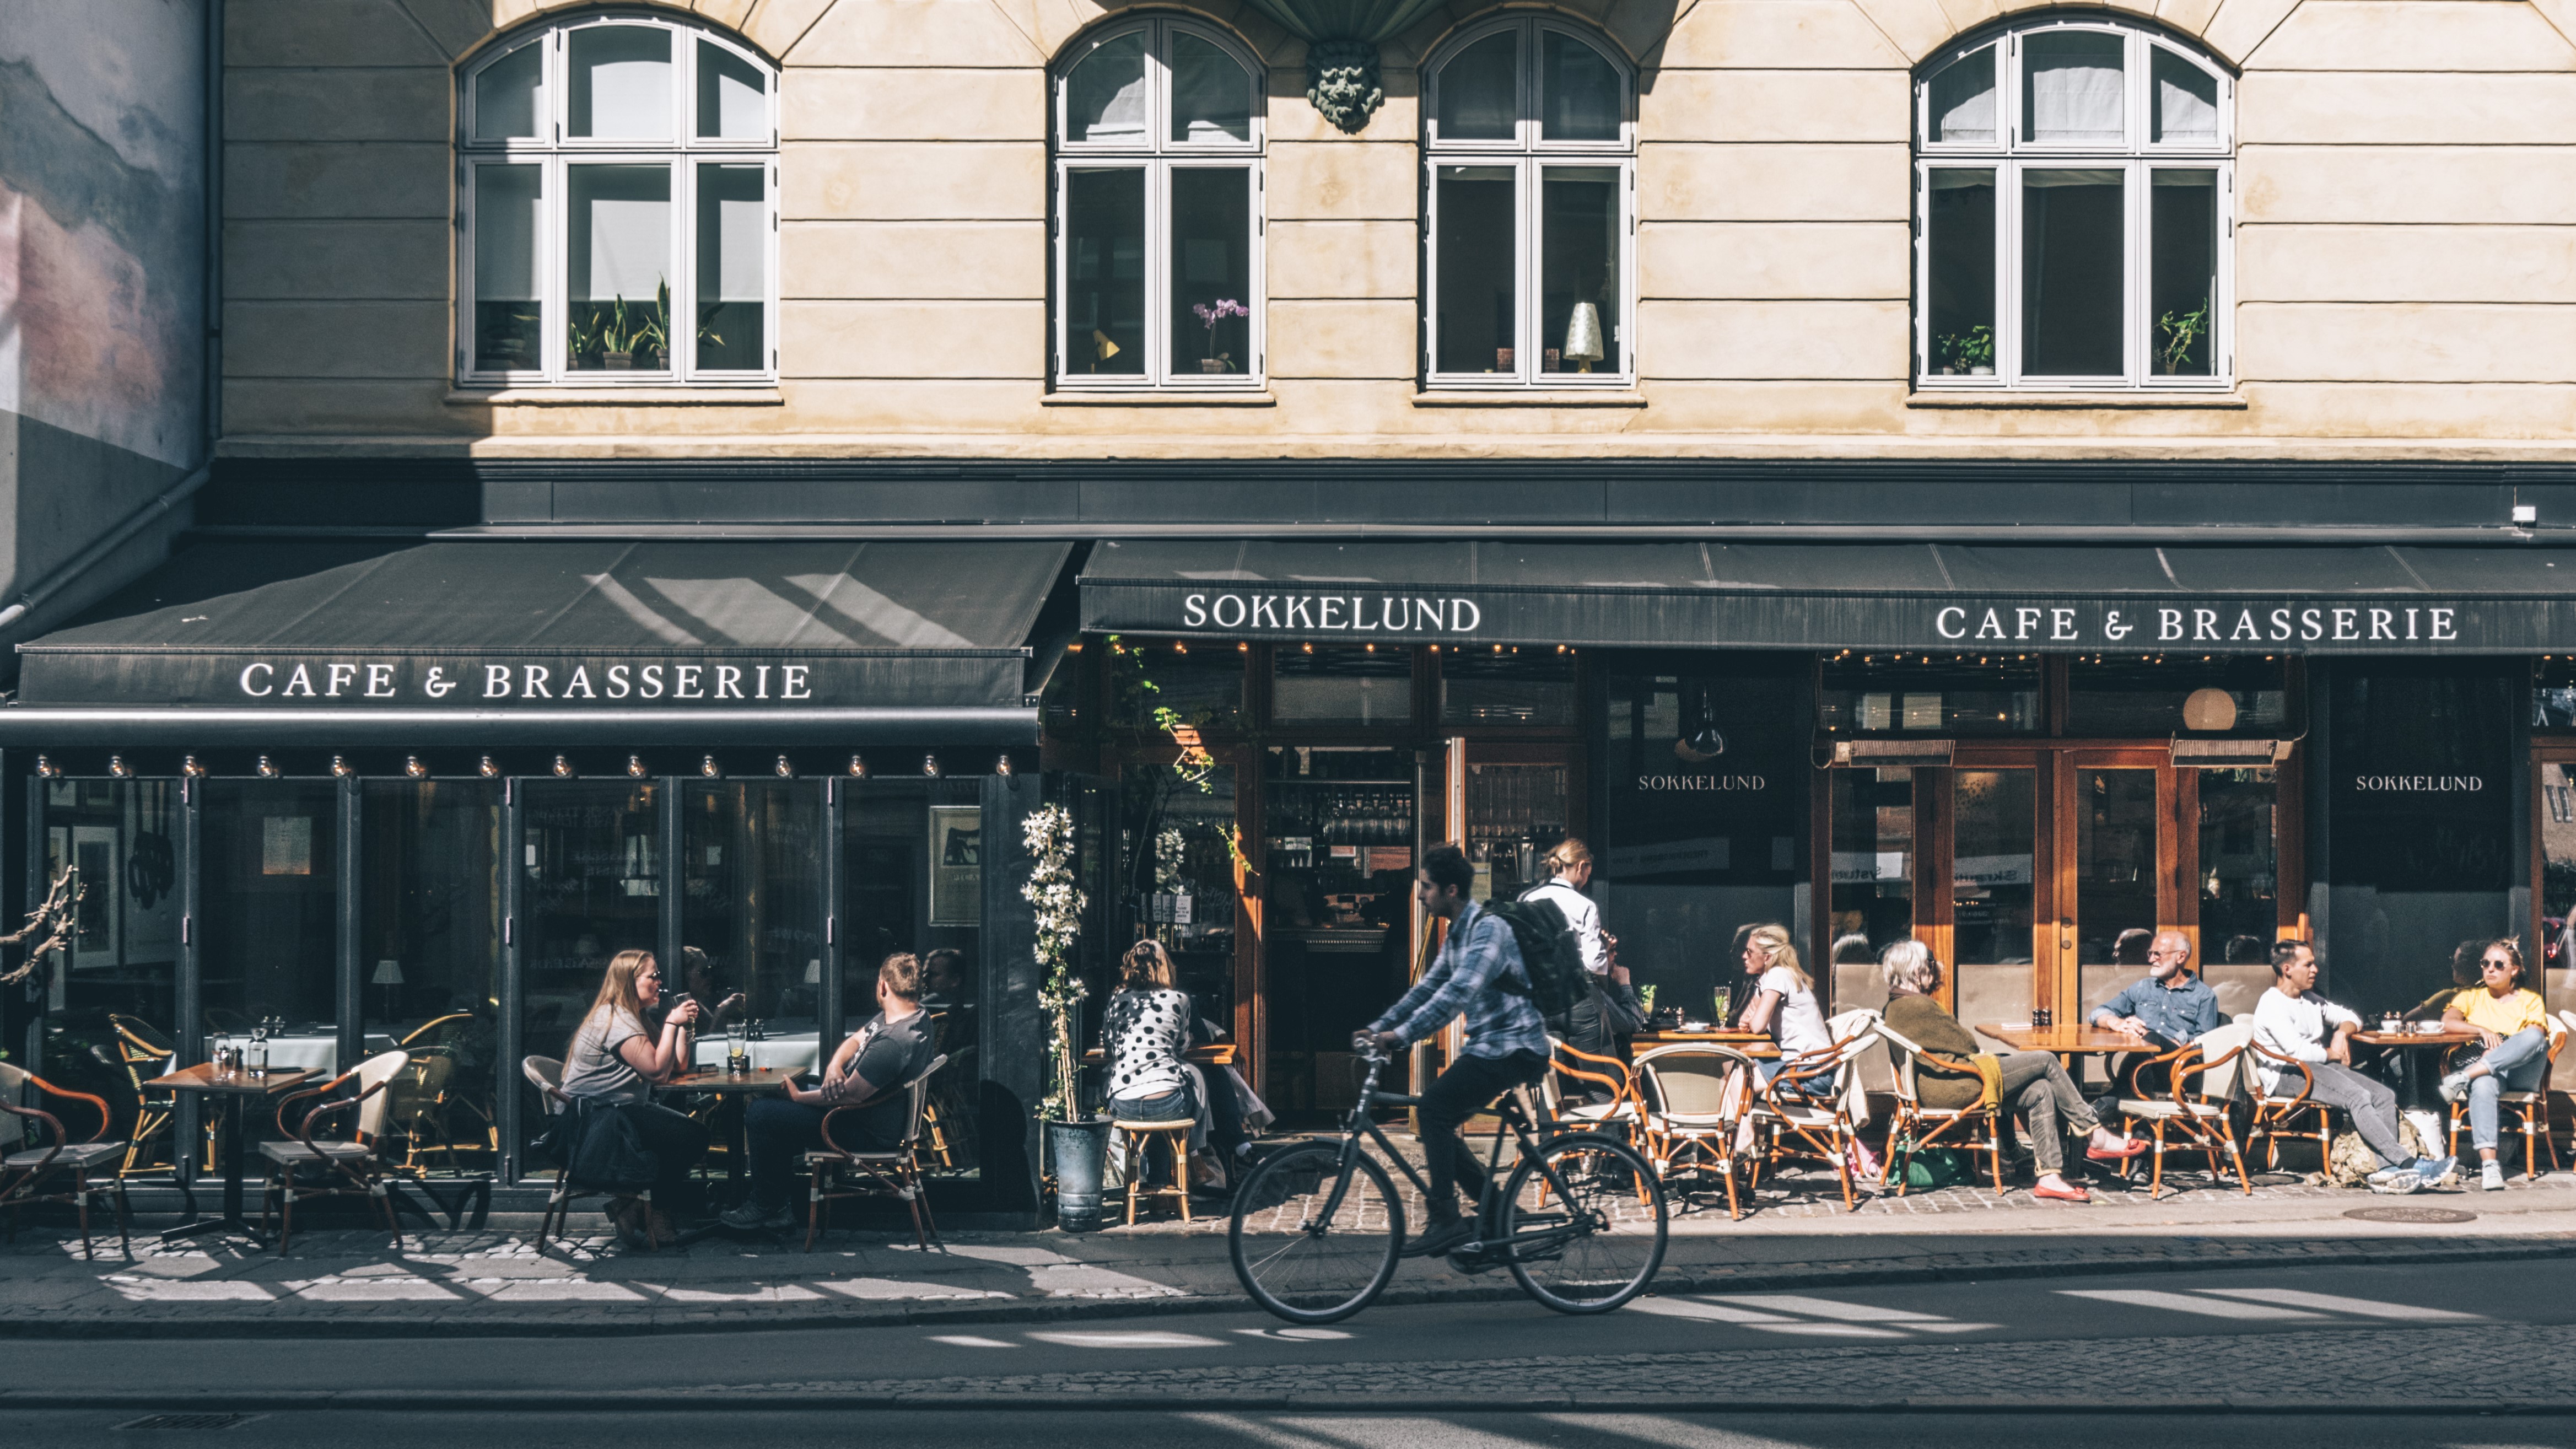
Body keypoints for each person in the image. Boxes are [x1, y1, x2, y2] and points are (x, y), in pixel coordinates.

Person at [1353, 842, 1553, 1261]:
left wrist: (1399, 1037)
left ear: (1451, 890)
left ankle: (1445, 1217)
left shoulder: (1488, 930)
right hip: (1490, 1046)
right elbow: (1428, 988)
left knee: (1434, 1110)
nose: (1421, 895)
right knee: (1439, 1116)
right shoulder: (1459, 933)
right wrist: (1379, 1027)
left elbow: (1458, 993)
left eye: (1426, 887)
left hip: (1514, 1046)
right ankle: (1499, 1212)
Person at [1879, 941, 2142, 1202]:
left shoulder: (1898, 1005)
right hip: (1956, 1084)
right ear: (1916, 971)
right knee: (2047, 1060)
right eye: (1931, 963)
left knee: (2040, 1090)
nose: (1935, 969)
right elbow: (1966, 1044)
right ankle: (2094, 1133)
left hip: (1944, 1082)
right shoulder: (1918, 1006)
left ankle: (2050, 1177)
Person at [719, 952, 939, 1232]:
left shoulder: (894, 1042)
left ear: (882, 985)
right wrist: (836, 1065)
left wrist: (798, 1098)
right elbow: (857, 1038)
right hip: (859, 1115)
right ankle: (775, 1200)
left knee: (761, 1113)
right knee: (773, 1096)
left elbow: (852, 1095)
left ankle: (767, 1205)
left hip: (862, 1129)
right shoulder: (910, 1017)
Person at [2252, 940, 2450, 1193]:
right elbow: (2297, 1051)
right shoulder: (2272, 1004)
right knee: (2357, 1097)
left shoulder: (2311, 1000)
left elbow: (2352, 1017)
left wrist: (2341, 1034)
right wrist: (2333, 1055)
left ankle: (2386, 1172)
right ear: (2288, 969)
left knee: (2384, 1095)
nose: (2315, 970)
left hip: (2317, 1067)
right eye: (2308, 964)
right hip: (2286, 1073)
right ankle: (2407, 1163)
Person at [560, 949, 709, 1247]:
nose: (659, 982)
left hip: (615, 1114)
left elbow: (674, 1065)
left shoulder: (634, 1016)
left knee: (688, 1135)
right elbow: (656, 1073)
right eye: (652, 976)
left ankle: (632, 1208)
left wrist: (678, 1025)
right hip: (593, 1125)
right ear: (630, 982)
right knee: (690, 1137)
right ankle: (651, 1212)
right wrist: (670, 1024)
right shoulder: (617, 1020)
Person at [2438, 938, 2558, 1192]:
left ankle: (2464, 1076)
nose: (2490, 969)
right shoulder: (2471, 997)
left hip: (2522, 1070)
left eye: (2498, 964)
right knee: (2483, 1085)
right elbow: (2447, 1022)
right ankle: (2490, 1165)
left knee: (2535, 1036)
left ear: (2514, 970)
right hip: (2489, 1070)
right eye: (2485, 964)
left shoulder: (2530, 1000)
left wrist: (2500, 1051)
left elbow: (2534, 1039)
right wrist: (2480, 1030)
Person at [2090, 930, 2221, 1095]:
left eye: (2158, 954)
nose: (2151, 959)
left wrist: (2178, 1039)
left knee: (2152, 1039)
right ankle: (2113, 1106)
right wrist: (2116, 1022)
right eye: (2150, 953)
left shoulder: (2204, 996)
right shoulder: (2142, 988)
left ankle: (2108, 1102)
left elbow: (2206, 1045)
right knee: (2149, 1046)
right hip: (2147, 1069)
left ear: (2181, 957)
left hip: (2181, 1073)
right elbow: (2097, 1012)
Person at [1522, 839, 1615, 1063]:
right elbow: (1594, 964)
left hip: (1540, 1001)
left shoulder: (1528, 900)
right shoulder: (1585, 906)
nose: (1585, 881)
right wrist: (1606, 954)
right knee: (1599, 1081)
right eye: (1587, 874)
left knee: (1553, 1080)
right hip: (1578, 1000)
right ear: (1581, 866)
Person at [1735, 923, 1830, 1080]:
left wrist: (1752, 1021)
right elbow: (1745, 1021)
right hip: (1799, 1064)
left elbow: (1757, 1026)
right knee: (1731, 1071)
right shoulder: (1769, 979)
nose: (1744, 956)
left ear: (1767, 957)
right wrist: (1750, 1020)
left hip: (1812, 1069)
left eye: (1749, 952)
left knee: (1739, 1078)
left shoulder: (1778, 975)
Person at [677, 945, 747, 1026]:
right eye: (704, 973)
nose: (710, 978)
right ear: (686, 975)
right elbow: (706, 1037)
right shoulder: (680, 1011)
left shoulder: (696, 1005)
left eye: (710, 971)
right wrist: (721, 1011)